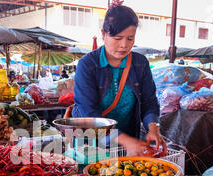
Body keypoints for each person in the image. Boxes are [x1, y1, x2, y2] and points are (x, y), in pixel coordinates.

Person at [71, 2, 166, 156]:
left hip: (128, 142)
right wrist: (124, 140)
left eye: (130, 38)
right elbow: (88, 112)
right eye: (117, 38)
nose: (124, 45)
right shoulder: (87, 65)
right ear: (103, 34)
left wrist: (153, 126)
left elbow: (149, 102)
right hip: (90, 142)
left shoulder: (140, 63)